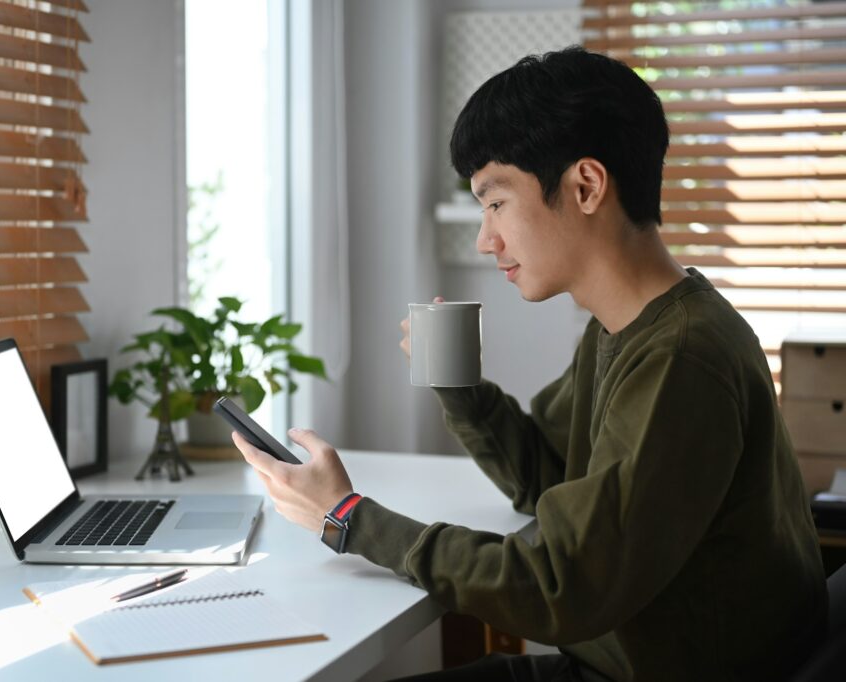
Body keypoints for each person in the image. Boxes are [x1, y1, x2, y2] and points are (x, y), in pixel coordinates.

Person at [230, 46, 827, 681]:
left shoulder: (681, 356)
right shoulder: (620, 328)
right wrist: (456, 384)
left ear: (586, 186)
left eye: (495, 203)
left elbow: (562, 586)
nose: (486, 239)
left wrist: (349, 518)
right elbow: (547, 474)